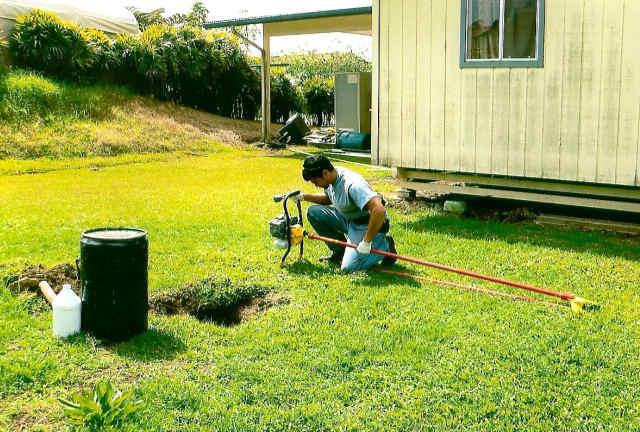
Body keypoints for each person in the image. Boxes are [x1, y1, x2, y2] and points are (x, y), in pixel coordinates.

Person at [295, 154, 397, 273]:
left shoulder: (353, 185)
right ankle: (340, 253)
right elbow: (329, 199)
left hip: (366, 224)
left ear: (325, 173)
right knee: (314, 213)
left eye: (315, 181)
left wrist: (366, 242)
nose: (316, 185)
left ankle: (385, 246)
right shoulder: (331, 179)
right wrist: (302, 196)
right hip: (349, 219)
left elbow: (379, 210)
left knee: (349, 268)